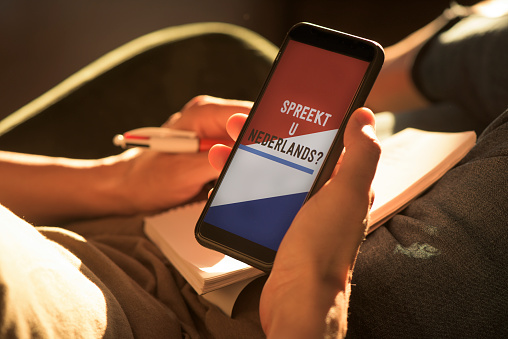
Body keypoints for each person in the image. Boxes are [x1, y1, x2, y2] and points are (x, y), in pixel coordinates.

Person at [0, 0, 507, 337]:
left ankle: (385, 90)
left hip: (120, 236)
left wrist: (115, 181)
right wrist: (311, 295)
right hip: (287, 311)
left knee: (482, 62)